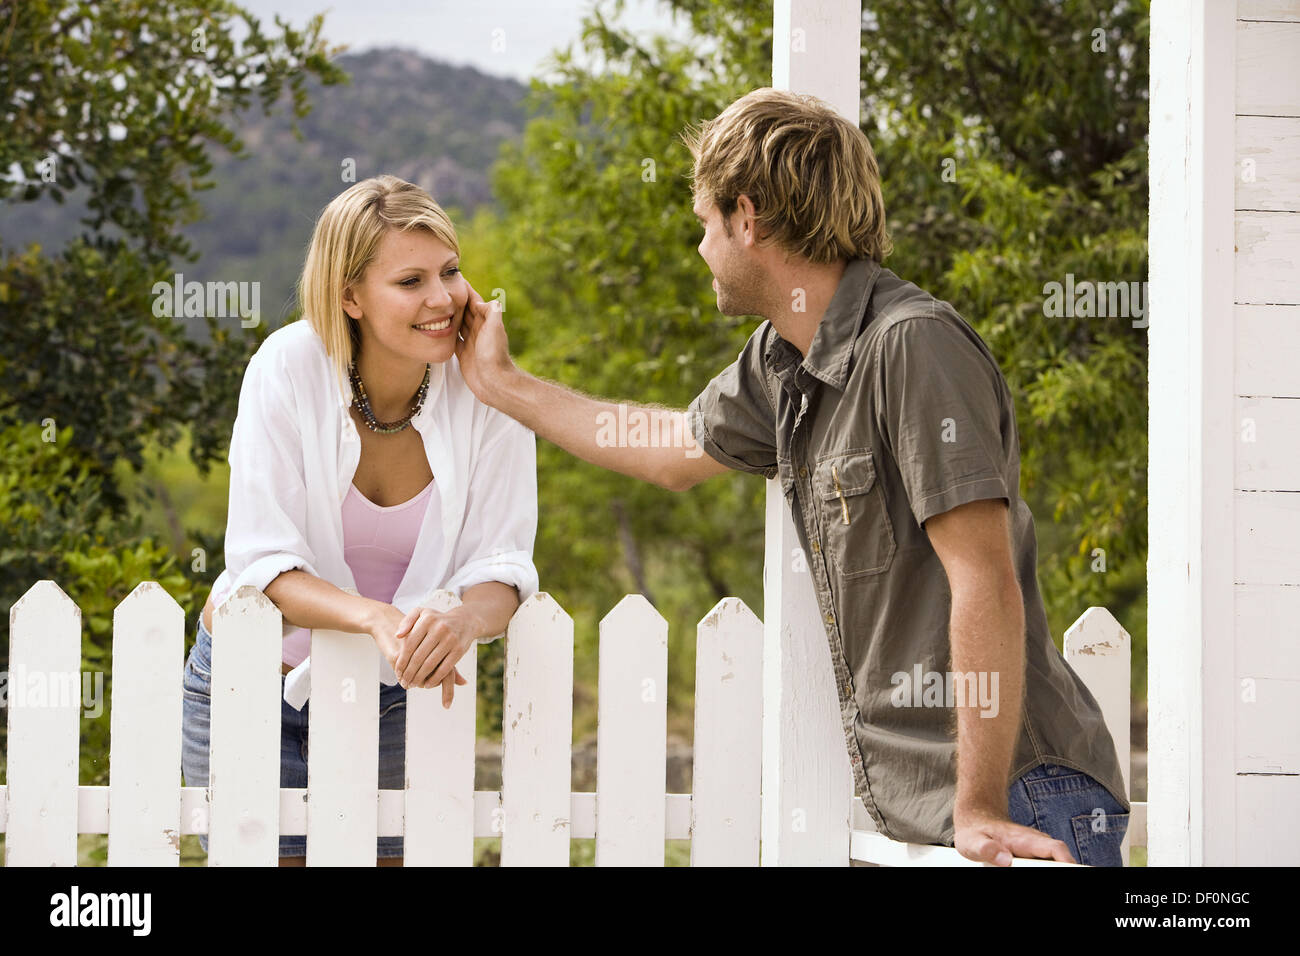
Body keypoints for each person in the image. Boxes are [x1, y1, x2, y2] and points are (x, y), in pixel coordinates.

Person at [453, 88, 1130, 866]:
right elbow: (668, 448)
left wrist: (975, 808)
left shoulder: (912, 346)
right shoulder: (783, 361)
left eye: (705, 226)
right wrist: (504, 384)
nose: (701, 248)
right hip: (941, 818)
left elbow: (985, 580)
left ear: (749, 218)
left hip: (1020, 800)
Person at [182, 175, 539, 866]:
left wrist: (463, 620)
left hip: (394, 692)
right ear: (350, 296)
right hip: (253, 678)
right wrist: (377, 617)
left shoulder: (489, 392)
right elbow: (263, 565)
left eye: (451, 272)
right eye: (411, 281)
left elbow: (502, 564)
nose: (443, 299)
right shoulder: (286, 368)